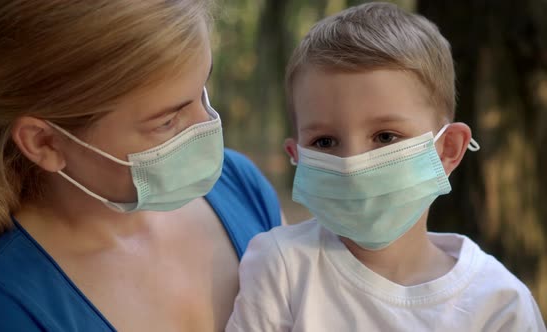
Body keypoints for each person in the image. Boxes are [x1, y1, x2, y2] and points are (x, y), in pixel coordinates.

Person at [0, 1, 282, 331]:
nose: (207, 126)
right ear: (45, 142)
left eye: (201, 91)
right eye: (168, 121)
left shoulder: (240, 186)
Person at [227, 3, 546, 331]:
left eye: (385, 136)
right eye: (324, 142)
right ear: (297, 156)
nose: (352, 166)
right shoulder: (282, 267)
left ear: (448, 149)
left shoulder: (500, 305)